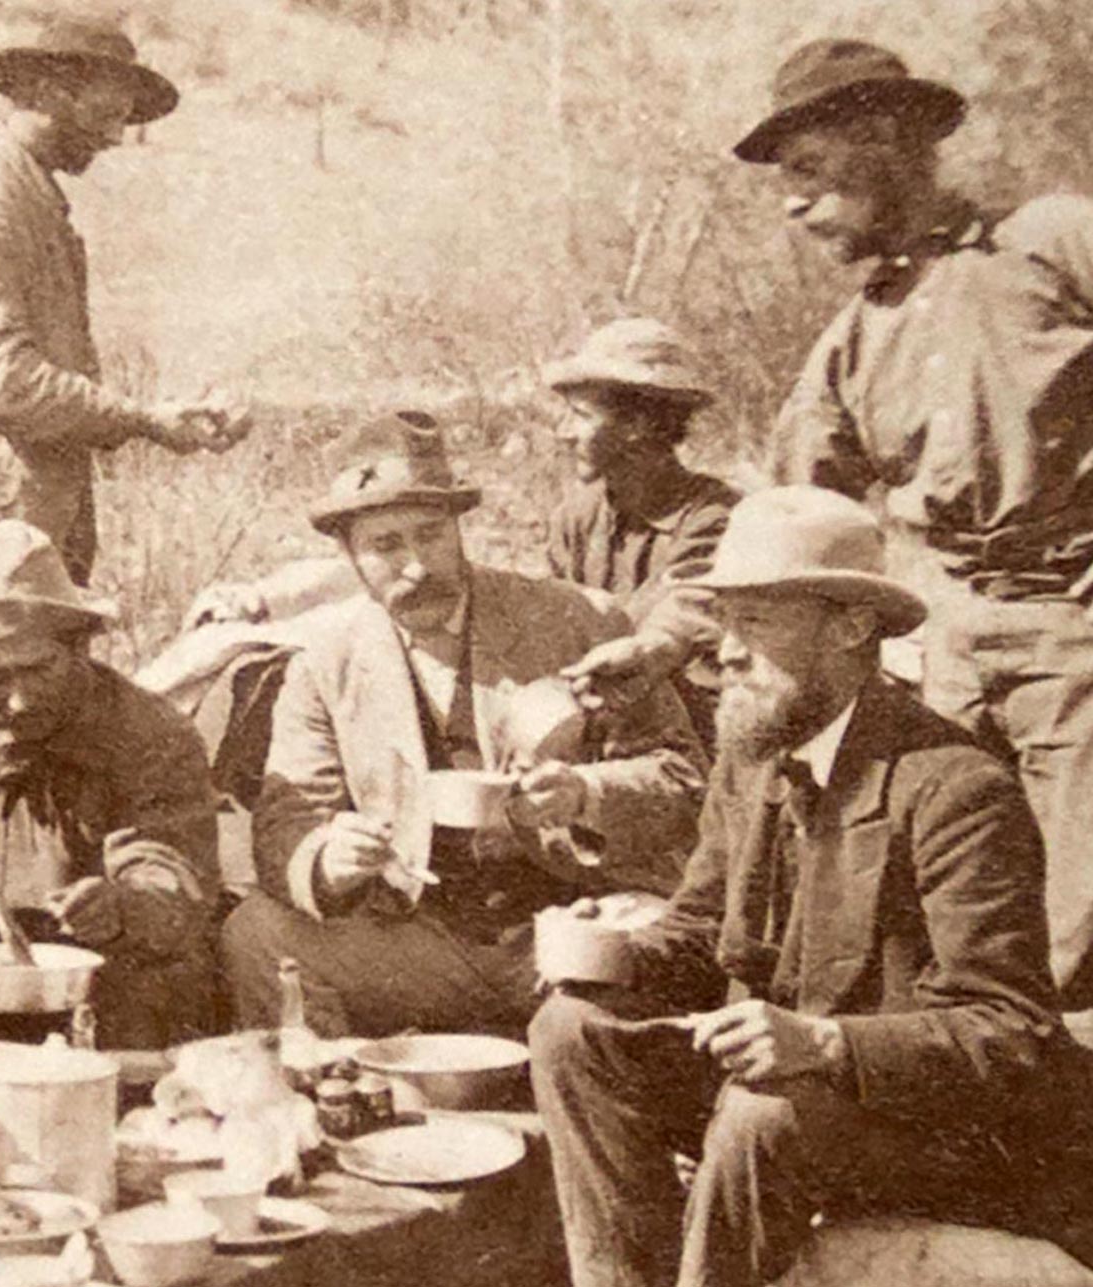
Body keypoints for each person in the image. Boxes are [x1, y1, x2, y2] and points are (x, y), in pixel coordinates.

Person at [581, 39, 1093, 1006]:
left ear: (889, 139)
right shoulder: (854, 342)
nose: (792, 201)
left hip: (1076, 641)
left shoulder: (1054, 242)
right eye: (786, 180)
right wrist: (658, 647)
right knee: (941, 920)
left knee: (1079, 935)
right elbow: (777, 534)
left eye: (809, 169)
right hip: (944, 660)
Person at [528, 485, 1093, 1287]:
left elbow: (1012, 1030)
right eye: (722, 621)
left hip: (937, 1132)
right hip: (792, 1106)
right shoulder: (756, 750)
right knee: (570, 1028)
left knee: (767, 1110)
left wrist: (827, 1042)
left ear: (851, 627)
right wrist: (611, 950)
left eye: (755, 621)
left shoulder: (956, 785)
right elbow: (698, 931)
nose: (724, 651)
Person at [219, 412, 706, 1036]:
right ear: (349, 555)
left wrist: (584, 794)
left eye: (430, 535)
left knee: (632, 961)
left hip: (571, 921)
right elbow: (290, 819)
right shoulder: (326, 659)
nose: (416, 565)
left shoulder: (575, 620)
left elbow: (684, 778)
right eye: (387, 546)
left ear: (457, 527)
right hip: (424, 939)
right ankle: (341, 1107)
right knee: (257, 935)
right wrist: (326, 860)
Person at [0, 15, 250, 617]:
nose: (113, 139)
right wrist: (143, 419)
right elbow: (2, 378)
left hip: (24, 511)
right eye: (106, 117)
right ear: (52, 93)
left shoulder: (26, 191)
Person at [0, 519, 222, 1048]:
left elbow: (172, 873)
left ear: (80, 650)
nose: (18, 700)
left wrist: (121, 905)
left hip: (116, 965)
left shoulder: (149, 734)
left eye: (39, 669)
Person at [543, 318, 739, 741]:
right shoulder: (575, 518)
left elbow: (689, 606)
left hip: (694, 733)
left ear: (638, 425)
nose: (563, 433)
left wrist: (652, 645)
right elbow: (553, 621)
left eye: (580, 415)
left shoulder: (715, 518)